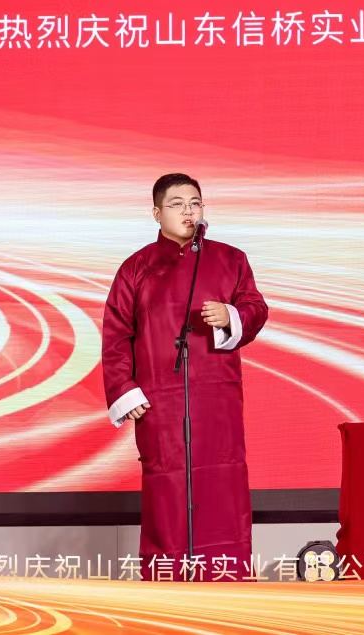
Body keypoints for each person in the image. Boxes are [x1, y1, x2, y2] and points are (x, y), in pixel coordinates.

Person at [101, 173, 269, 579]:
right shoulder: (137, 268)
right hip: (160, 401)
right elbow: (116, 333)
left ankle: (226, 578)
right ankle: (169, 582)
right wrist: (124, 388)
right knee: (168, 490)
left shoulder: (231, 259)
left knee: (222, 486)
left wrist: (230, 315)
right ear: (157, 213)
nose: (188, 211)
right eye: (177, 204)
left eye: (195, 203)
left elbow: (256, 308)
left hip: (217, 398)